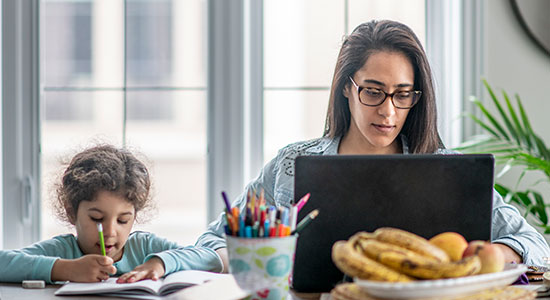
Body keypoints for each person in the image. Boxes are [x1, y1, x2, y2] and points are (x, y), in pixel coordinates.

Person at [196, 19, 550, 271]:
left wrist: (487, 255)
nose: (388, 111)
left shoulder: (448, 168)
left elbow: (537, 245)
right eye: (373, 91)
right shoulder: (291, 163)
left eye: (402, 94)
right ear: (346, 88)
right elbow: (214, 240)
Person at [0, 145, 222, 283]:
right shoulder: (62, 251)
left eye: (123, 220)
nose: (110, 232)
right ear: (71, 212)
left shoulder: (145, 248)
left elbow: (209, 257)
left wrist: (160, 263)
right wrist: (65, 269)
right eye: (96, 219)